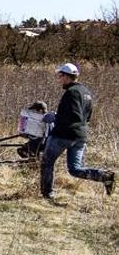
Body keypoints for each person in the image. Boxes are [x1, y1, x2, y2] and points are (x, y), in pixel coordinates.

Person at [40, 63, 114, 199]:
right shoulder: (86, 92)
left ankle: (47, 193)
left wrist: (55, 117)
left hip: (64, 135)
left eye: (60, 76)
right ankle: (105, 176)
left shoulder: (71, 93)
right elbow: (86, 116)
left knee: (47, 162)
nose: (58, 79)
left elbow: (74, 116)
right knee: (75, 169)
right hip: (81, 136)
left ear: (67, 76)